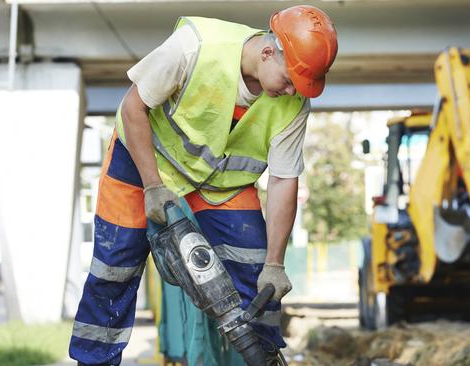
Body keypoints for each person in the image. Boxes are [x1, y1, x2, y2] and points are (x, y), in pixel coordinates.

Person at [69, 5, 337, 365]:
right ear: (268, 52)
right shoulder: (195, 45)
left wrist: (275, 263)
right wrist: (151, 187)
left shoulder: (294, 103)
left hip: (219, 184)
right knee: (114, 269)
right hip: (141, 163)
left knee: (259, 275)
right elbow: (133, 107)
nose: (292, 91)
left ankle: (266, 358)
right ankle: (94, 361)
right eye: (290, 80)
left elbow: (284, 179)